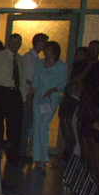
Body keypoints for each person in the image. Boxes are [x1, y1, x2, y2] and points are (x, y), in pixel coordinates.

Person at [0, 34, 26, 163]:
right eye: (13, 42)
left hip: (14, 92)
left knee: (15, 126)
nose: (15, 45)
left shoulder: (20, 59)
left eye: (18, 42)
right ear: (9, 42)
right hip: (1, 92)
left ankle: (13, 156)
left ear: (20, 44)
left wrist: (23, 99)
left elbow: (22, 81)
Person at [31, 41, 68, 171]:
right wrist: (30, 96)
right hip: (38, 99)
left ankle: (44, 156)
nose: (46, 52)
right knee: (37, 126)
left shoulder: (62, 66)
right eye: (46, 49)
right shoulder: (40, 63)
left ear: (55, 51)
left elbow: (63, 83)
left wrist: (53, 90)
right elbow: (35, 81)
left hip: (51, 99)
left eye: (49, 49)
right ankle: (37, 157)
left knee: (43, 126)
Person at [20, 33, 49, 157]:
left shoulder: (36, 59)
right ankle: (22, 151)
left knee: (32, 124)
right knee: (26, 124)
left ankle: (29, 149)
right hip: (29, 94)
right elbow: (26, 78)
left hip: (33, 95)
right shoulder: (28, 58)